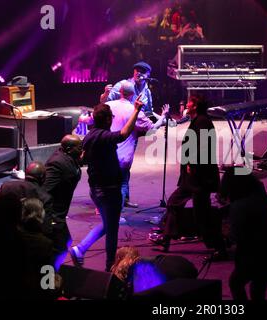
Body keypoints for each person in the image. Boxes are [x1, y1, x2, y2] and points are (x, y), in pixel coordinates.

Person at [69, 97, 144, 272]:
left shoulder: (90, 136)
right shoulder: (103, 136)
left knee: (109, 223)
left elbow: (82, 159)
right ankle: (110, 267)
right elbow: (123, 134)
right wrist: (136, 111)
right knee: (112, 230)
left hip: (95, 189)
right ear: (108, 119)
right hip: (109, 190)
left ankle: (80, 249)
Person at [150, 94, 224, 255]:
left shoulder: (203, 122)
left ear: (195, 106)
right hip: (192, 177)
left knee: (201, 214)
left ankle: (219, 247)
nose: (186, 105)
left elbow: (203, 147)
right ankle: (167, 238)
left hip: (199, 177)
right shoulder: (197, 121)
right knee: (174, 203)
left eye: (189, 103)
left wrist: (191, 163)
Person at [219, 168, 267, 301]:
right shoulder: (260, 195)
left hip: (255, 253)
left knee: (236, 283)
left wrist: (226, 232)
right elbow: (255, 182)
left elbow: (236, 237)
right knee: (258, 287)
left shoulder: (239, 207)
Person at [108, 80, 169, 212]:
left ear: (120, 92)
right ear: (133, 94)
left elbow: (93, 118)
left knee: (110, 181)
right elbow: (151, 129)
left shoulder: (108, 105)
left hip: (107, 153)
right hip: (124, 155)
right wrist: (163, 117)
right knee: (122, 183)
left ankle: (114, 206)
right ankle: (117, 213)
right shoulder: (134, 111)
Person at [43, 134, 83, 270]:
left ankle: (52, 274)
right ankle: (49, 279)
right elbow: (45, 190)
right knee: (60, 245)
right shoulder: (57, 163)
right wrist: (49, 216)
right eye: (79, 147)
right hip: (53, 214)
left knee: (64, 243)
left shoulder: (70, 158)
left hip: (60, 212)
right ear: (69, 149)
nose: (82, 149)